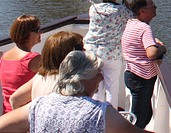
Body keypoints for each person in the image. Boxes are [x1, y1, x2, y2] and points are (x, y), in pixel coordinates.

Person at [0, 51, 151, 132]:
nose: (101, 78)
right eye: (98, 74)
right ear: (83, 80)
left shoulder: (38, 106)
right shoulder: (100, 113)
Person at [83, 0, 134, 108]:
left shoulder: (93, 9)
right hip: (112, 54)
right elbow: (133, 16)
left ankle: (96, 113)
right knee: (112, 86)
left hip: (92, 53)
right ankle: (111, 117)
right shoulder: (121, 11)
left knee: (96, 86)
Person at [121, 0, 166, 129]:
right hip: (141, 78)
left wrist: (152, 42)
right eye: (152, 5)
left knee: (145, 115)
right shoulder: (145, 28)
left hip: (132, 75)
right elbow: (152, 53)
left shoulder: (131, 23)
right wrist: (162, 48)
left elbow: (141, 44)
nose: (156, 7)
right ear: (142, 11)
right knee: (139, 120)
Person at [9, 31, 83, 109]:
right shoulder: (69, 81)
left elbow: (15, 100)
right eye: (79, 47)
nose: (84, 50)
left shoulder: (40, 76)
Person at [0, 15, 42, 114]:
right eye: (37, 30)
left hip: (7, 115)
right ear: (26, 34)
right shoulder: (34, 59)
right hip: (25, 116)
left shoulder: (4, 57)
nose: (41, 32)